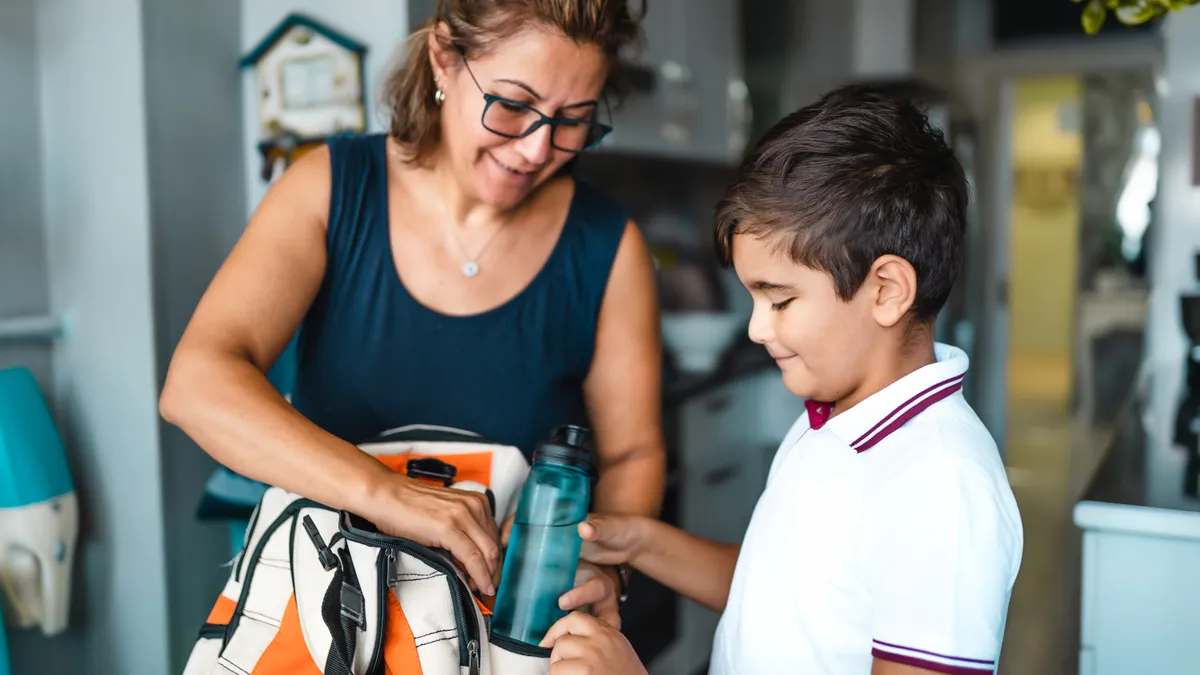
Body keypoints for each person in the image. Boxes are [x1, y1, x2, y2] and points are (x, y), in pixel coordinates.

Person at [159, 0, 666, 626]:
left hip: (507, 628)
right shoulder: (328, 187)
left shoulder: (608, 246)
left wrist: (600, 566)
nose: (537, 149)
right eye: (511, 105)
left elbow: (631, 457)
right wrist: (389, 493)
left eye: (573, 121)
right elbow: (197, 385)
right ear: (444, 59)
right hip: (330, 618)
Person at [540, 85, 1024, 674]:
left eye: (781, 299)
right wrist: (638, 542)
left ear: (887, 290)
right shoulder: (834, 417)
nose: (755, 329)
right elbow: (783, 593)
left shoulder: (941, 485)